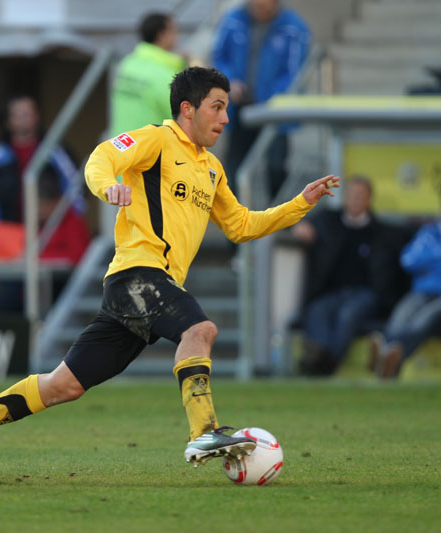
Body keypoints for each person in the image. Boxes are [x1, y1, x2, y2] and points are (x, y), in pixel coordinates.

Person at [0, 66, 339, 483]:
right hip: (137, 274)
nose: (225, 118)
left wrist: (300, 203)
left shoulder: (212, 168)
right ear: (188, 109)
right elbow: (101, 157)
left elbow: (241, 225)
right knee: (200, 330)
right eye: (217, 107)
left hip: (147, 289)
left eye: (226, 108)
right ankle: (204, 431)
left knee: (63, 386)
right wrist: (108, 187)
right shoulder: (156, 140)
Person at [0, 95, 86, 312]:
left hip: (48, 235)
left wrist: (65, 222)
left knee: (51, 299)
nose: (24, 119)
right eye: (18, 114)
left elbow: (76, 188)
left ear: (37, 117)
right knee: (12, 298)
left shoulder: (54, 149)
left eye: (28, 113)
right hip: (11, 236)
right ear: (9, 121)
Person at [291, 177, 408, 375]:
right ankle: (320, 356)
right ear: (344, 197)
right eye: (352, 195)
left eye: (360, 195)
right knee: (317, 310)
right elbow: (292, 220)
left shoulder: (382, 232)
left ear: (369, 199)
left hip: (365, 294)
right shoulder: (327, 221)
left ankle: (327, 363)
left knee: (348, 315)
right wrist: (299, 227)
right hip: (333, 292)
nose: (355, 199)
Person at [212, 0, 311, 198]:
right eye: (255, 6)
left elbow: (295, 72)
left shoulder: (293, 28)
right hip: (240, 106)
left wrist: (274, 98)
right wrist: (229, 81)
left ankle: (278, 210)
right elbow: (220, 57)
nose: (259, 10)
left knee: (275, 165)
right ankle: (233, 212)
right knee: (235, 164)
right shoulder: (233, 21)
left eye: (264, 7)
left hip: (274, 110)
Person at [369, 216, 441, 378]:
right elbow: (408, 261)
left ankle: (388, 358)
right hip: (421, 292)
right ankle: (387, 357)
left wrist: (429, 260)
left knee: (424, 319)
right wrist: (437, 257)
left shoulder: (429, 241)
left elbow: (419, 260)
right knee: (400, 316)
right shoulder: (428, 233)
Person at [110, 12, 188, 136]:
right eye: (174, 30)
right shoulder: (167, 74)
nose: (177, 36)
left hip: (120, 142)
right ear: (162, 34)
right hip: (150, 145)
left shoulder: (127, 64)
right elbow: (186, 120)